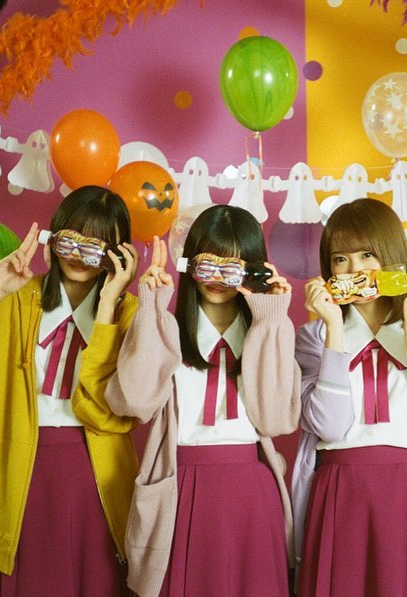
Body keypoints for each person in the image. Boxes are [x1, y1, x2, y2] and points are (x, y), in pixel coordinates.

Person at [0, 185, 141, 595]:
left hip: (100, 481)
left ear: (117, 255)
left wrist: (108, 306)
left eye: (95, 245)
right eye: (70, 239)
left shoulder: (128, 315)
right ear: (51, 239)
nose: (78, 254)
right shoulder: (14, 302)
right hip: (21, 473)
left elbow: (115, 414)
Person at [105, 204, 300, 597]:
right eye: (208, 262)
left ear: (253, 269)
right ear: (190, 263)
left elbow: (276, 420)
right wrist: (151, 308)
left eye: (233, 265)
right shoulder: (167, 328)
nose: (218, 277)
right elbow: (134, 403)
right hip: (181, 488)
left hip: (251, 492)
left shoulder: (268, 329)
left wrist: (271, 317)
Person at [292, 197, 407, 596]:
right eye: (340, 259)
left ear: (391, 257)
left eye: (367, 255)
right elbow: (330, 426)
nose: (354, 269)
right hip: (340, 493)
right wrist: (333, 331)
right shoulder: (313, 338)